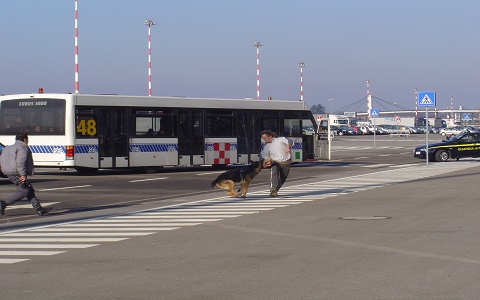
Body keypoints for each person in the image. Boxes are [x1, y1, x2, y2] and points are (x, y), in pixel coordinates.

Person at [0, 132, 52, 216]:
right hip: (17, 173)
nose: (27, 141)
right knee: (25, 190)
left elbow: (1, 159)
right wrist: (23, 174)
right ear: (24, 139)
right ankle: (4, 203)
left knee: (28, 188)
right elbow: (21, 162)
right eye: (27, 139)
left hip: (8, 172)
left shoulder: (7, 148)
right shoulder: (23, 147)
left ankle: (39, 209)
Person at [260, 130, 293, 197]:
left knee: (283, 177)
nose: (264, 140)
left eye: (265, 138)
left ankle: (276, 189)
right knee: (274, 174)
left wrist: (288, 146)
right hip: (274, 162)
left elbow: (290, 140)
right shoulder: (267, 146)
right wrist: (267, 160)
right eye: (263, 139)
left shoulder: (280, 140)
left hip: (285, 161)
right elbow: (264, 154)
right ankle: (273, 190)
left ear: (270, 136)